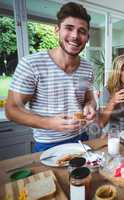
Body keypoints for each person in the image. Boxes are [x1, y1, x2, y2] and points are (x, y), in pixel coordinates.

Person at [5, 2, 96, 151]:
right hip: (48, 145)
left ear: (87, 37)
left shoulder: (88, 67)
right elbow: (11, 109)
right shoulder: (31, 64)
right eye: (69, 28)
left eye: (81, 31)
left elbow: (89, 99)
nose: (75, 36)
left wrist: (90, 106)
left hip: (82, 138)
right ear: (57, 30)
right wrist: (49, 123)